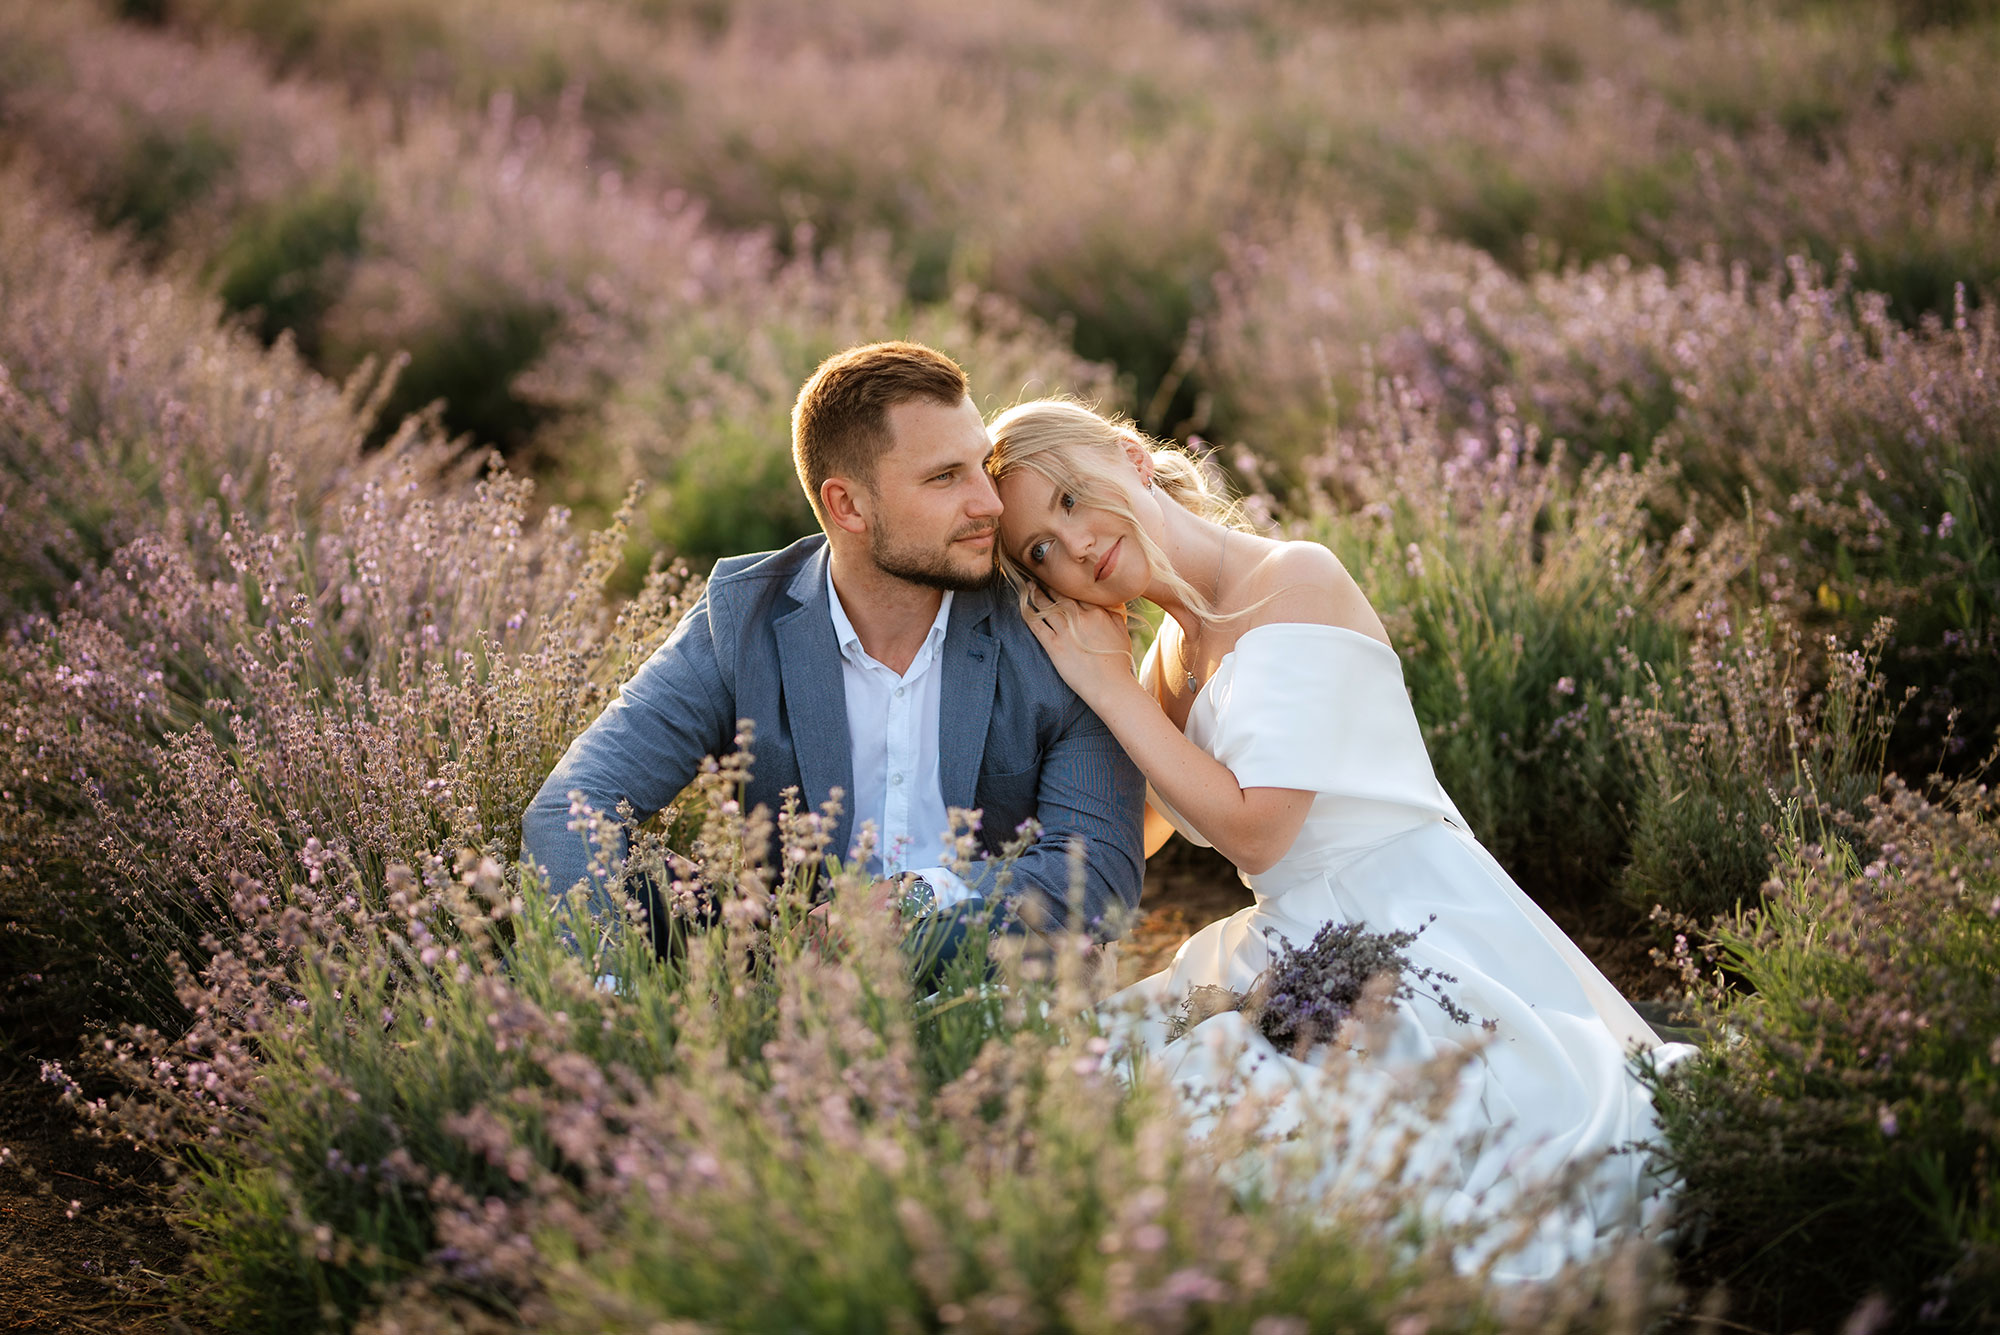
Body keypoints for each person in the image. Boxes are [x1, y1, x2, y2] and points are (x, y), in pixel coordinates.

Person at [985, 397, 1692, 1280]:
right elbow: (1145, 832)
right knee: (1101, 1081)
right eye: (1039, 552)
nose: (1073, 542)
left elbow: (1260, 828)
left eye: (1070, 497)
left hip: (1415, 918)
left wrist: (1109, 690)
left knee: (1353, 1143)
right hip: (1292, 937)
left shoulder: (1293, 579)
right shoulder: (1169, 654)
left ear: (1130, 457)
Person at [521, 344, 1146, 971]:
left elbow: (1101, 872)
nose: (990, 503)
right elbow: (572, 806)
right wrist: (610, 1005)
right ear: (847, 505)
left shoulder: (1054, 624)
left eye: (981, 466)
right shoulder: (745, 622)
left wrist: (908, 904)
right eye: (944, 477)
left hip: (1000, 998)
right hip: (800, 1003)